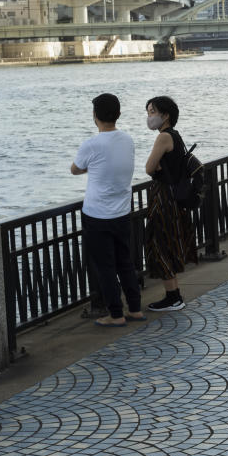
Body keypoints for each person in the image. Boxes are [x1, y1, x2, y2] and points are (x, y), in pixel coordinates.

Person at [72, 93, 145, 327]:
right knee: (125, 262)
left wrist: (91, 166)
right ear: (118, 114)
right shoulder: (127, 140)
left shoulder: (91, 144)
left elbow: (75, 169)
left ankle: (115, 314)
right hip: (122, 212)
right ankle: (134, 308)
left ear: (95, 116)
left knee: (105, 267)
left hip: (96, 215)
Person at [144, 95, 197, 311]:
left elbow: (149, 168)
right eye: (148, 112)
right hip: (173, 197)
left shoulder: (163, 137)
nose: (149, 117)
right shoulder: (175, 135)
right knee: (168, 242)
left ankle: (173, 297)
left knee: (159, 243)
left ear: (166, 115)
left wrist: (155, 168)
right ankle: (173, 295)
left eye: (153, 112)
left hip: (163, 197)